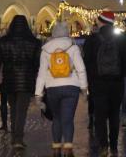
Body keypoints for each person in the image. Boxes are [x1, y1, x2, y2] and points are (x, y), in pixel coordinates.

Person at [83, 11, 126, 156]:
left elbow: (86, 62)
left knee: (99, 116)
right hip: (116, 83)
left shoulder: (92, 39)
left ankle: (103, 147)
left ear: (101, 22)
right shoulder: (122, 39)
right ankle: (113, 146)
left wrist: (88, 82)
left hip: (98, 83)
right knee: (114, 115)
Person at [35, 21, 88, 157]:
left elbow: (41, 73)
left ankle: (56, 148)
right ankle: (68, 149)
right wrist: (84, 88)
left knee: (57, 118)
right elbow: (81, 69)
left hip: (52, 88)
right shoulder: (73, 47)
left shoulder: (46, 49)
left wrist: (38, 94)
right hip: (72, 87)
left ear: (53, 33)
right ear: (67, 33)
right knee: (68, 119)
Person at [0, 15, 41, 149]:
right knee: (21, 110)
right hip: (26, 80)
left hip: (9, 80)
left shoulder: (3, 41)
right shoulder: (34, 42)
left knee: (13, 109)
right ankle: (18, 138)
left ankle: (15, 137)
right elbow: (37, 64)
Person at [84, 23, 99, 130]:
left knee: (93, 96)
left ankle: (93, 118)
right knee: (94, 96)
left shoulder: (88, 40)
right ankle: (93, 118)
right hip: (96, 72)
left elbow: (85, 56)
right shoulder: (100, 39)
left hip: (92, 72)